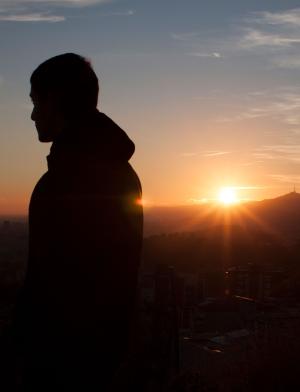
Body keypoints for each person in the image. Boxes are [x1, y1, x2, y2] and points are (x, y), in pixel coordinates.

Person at [11, 53, 143, 391]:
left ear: (54, 100)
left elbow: (49, 284)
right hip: (100, 359)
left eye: (35, 102)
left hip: (61, 364)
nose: (32, 114)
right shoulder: (122, 173)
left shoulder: (62, 183)